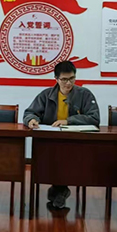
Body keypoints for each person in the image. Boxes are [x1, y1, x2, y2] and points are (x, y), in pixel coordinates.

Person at [22, 60, 100, 209]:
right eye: (64, 79)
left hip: (75, 141)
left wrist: (69, 121)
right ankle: (60, 190)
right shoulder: (46, 95)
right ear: (56, 79)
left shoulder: (84, 94)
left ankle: (58, 189)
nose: (68, 83)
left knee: (64, 157)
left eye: (72, 78)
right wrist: (31, 120)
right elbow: (30, 113)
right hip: (50, 141)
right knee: (52, 157)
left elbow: (94, 118)